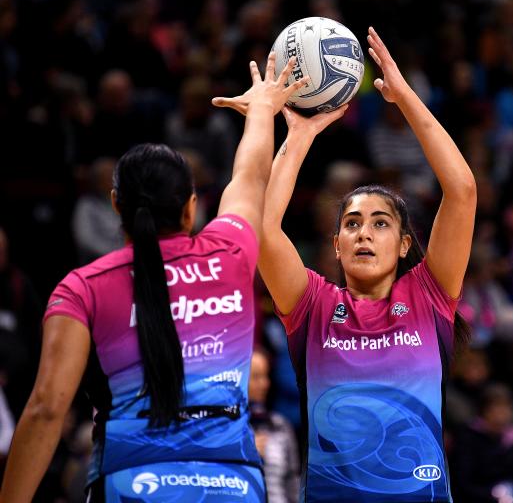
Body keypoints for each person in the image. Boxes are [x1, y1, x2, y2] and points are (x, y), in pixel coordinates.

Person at [0, 53, 306, 503]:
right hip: (232, 488)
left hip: (129, 485)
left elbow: (47, 409)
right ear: (191, 206)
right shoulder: (233, 251)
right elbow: (250, 175)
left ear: (115, 205)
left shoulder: (82, 287)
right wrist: (262, 108)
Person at [219, 27, 476, 502]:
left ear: (403, 245)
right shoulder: (313, 305)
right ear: (336, 245)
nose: (363, 233)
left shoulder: (428, 293)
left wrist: (405, 99)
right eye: (353, 224)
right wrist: (298, 135)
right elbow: (264, 229)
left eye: (380, 224)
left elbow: (461, 191)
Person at [248, 347, 300, 503]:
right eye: (256, 377)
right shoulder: (229, 428)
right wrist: (244, 451)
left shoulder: (280, 425)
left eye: (266, 376)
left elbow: (293, 480)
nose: (264, 384)